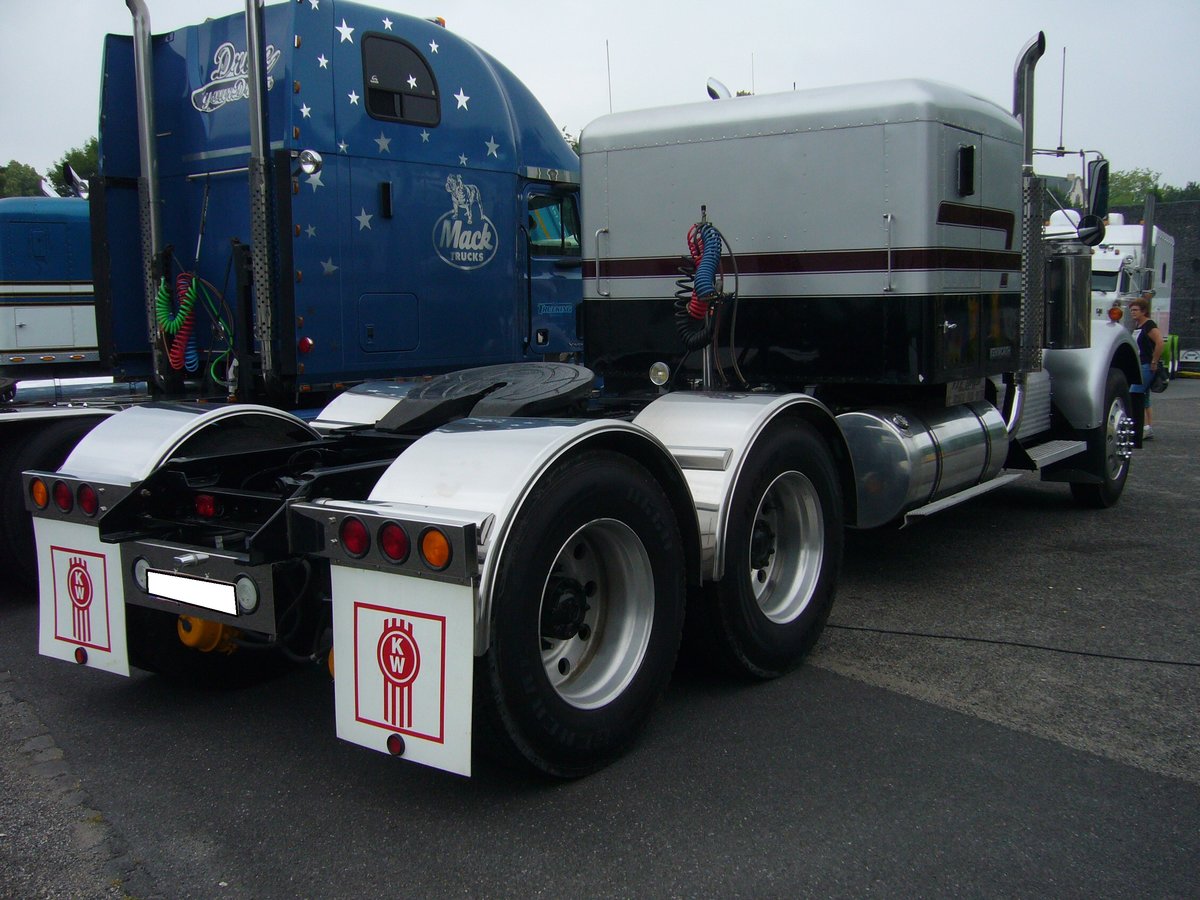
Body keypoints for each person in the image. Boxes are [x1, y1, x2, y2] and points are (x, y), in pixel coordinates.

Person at [1128, 293, 1164, 439]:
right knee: (1145, 398)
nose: (1133, 312)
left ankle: (1137, 427)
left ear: (1143, 311)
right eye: (1131, 310)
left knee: (1135, 393)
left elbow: (1160, 342)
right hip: (1139, 363)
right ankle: (1147, 427)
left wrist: (1154, 361)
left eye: (1135, 310)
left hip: (1146, 364)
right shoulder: (1138, 326)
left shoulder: (1149, 325)